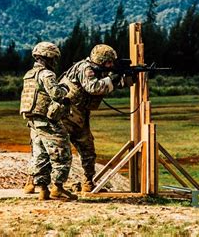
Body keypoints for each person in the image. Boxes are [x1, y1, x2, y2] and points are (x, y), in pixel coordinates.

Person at [59, 44, 132, 192]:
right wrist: (113, 78)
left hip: (80, 116)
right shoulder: (85, 68)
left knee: (88, 150)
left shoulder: (100, 71)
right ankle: (39, 183)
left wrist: (127, 78)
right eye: (109, 62)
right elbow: (94, 88)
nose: (111, 65)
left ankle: (88, 182)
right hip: (66, 114)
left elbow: (110, 84)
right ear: (100, 61)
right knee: (58, 150)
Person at [20, 41, 76, 201]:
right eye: (54, 59)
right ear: (49, 58)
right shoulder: (47, 74)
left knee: (40, 155)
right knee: (62, 152)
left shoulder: (29, 74)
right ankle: (58, 188)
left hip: (33, 121)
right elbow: (57, 94)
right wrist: (65, 87)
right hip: (47, 120)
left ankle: (43, 190)